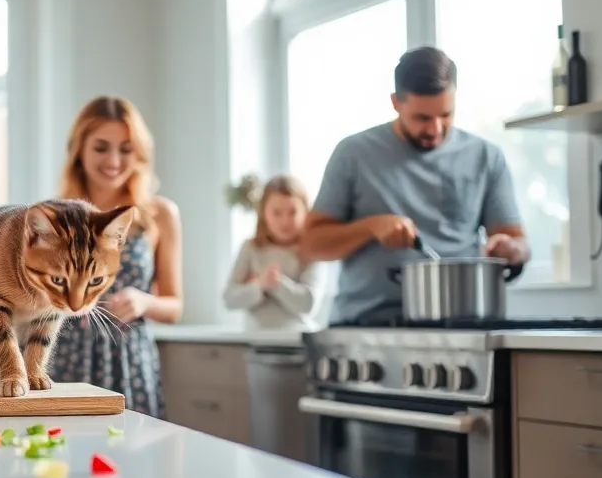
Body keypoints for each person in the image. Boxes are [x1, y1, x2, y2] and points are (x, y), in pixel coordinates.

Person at [298, 47, 530, 325]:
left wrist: (513, 250)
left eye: (446, 115)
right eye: (422, 118)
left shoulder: (486, 157)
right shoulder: (353, 154)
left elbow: (518, 242)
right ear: (396, 103)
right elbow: (310, 245)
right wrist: (371, 227)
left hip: (465, 324)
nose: (435, 129)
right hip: (366, 326)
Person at [47, 95, 183, 417]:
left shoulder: (159, 214)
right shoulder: (55, 214)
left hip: (129, 361)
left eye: (126, 149)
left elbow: (175, 305)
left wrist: (143, 301)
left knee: (134, 459)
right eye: (101, 147)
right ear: (79, 149)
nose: (114, 160)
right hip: (65, 355)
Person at [223, 174, 321, 330]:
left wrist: (277, 284)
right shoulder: (251, 248)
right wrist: (259, 285)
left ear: (305, 212)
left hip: (297, 339)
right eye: (277, 212)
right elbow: (229, 299)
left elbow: (308, 305)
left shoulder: (312, 251)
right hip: (254, 339)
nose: (285, 221)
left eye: (292, 212)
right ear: (264, 213)